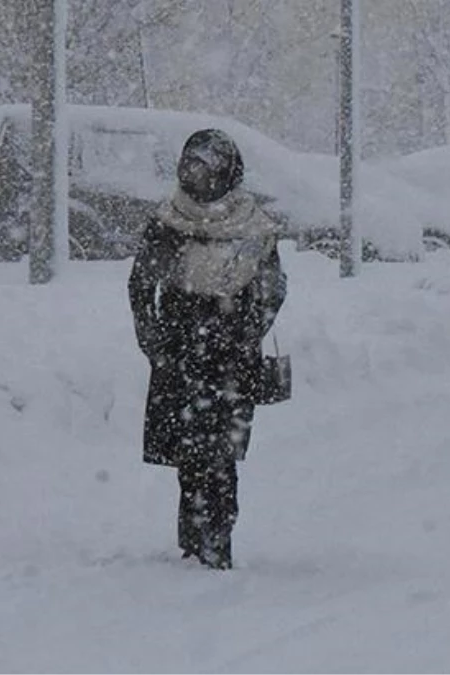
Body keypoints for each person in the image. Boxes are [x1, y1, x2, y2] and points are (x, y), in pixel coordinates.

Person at [128, 129, 287, 569]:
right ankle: (192, 543)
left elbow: (272, 287)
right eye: (190, 167)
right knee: (187, 452)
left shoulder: (251, 225)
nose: (196, 177)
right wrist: (153, 341)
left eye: (205, 168)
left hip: (229, 357)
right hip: (178, 352)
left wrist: (246, 331)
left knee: (218, 453)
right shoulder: (169, 219)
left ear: (225, 172)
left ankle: (216, 541)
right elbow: (142, 284)